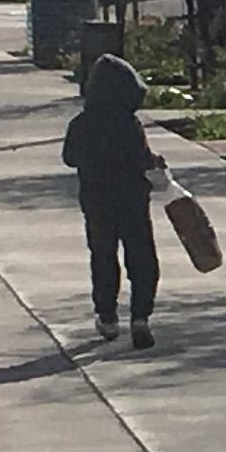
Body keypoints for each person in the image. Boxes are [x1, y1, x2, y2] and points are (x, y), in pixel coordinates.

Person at [60, 54, 169, 349]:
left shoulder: (81, 124)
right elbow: (142, 159)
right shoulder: (129, 124)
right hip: (132, 200)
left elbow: (69, 158)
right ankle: (140, 318)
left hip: (96, 201)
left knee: (103, 256)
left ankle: (107, 316)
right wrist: (156, 163)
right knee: (142, 257)